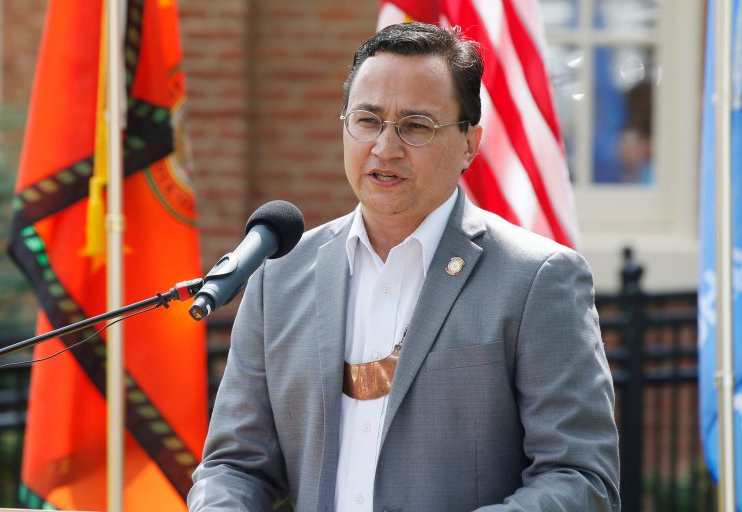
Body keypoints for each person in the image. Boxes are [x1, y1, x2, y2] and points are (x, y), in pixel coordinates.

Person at [188, 22, 620, 512]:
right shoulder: (279, 275)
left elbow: (581, 479)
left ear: (469, 144)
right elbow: (235, 466)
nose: (385, 147)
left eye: (416, 126)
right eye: (367, 120)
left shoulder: (537, 279)